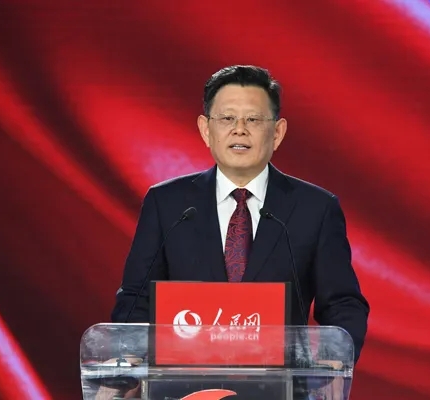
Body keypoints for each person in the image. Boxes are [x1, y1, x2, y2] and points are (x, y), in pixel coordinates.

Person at [111, 65, 370, 364]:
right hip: (185, 380)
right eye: (227, 118)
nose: (239, 129)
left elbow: (342, 302)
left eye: (254, 119)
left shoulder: (315, 208)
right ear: (206, 130)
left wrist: (334, 356)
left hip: (280, 382)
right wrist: (128, 356)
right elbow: (136, 297)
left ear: (277, 132)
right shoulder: (167, 204)